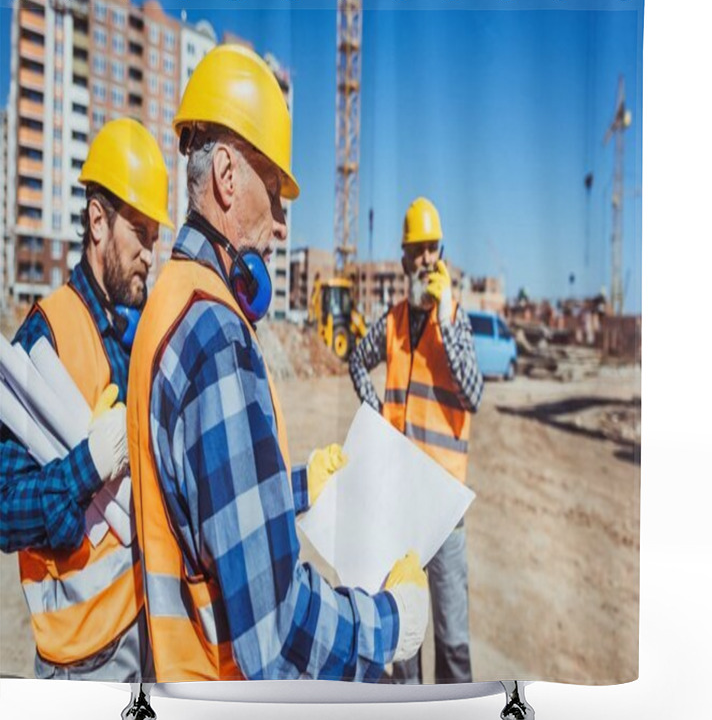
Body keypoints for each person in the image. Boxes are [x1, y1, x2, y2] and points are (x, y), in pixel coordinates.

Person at [127, 44, 429, 682]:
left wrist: (297, 488)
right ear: (229, 178)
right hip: (227, 693)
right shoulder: (216, 335)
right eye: (277, 193)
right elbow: (275, 631)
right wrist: (391, 623)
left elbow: (204, 506)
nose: (285, 224)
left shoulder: (169, 300)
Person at [0, 118, 171, 681]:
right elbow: (4, 508)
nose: (152, 250)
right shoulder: (43, 337)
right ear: (98, 222)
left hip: (141, 631)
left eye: (156, 235)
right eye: (141, 232)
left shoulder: (131, 333)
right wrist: (88, 465)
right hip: (79, 661)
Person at [349, 196, 484, 684]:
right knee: (406, 636)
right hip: (400, 503)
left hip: (444, 511)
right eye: (416, 250)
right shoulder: (392, 323)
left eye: (432, 249)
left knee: (452, 640)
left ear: (441, 255)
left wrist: (446, 318)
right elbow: (356, 361)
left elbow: (474, 393)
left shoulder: (458, 321)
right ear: (404, 258)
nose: (425, 259)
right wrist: (375, 410)